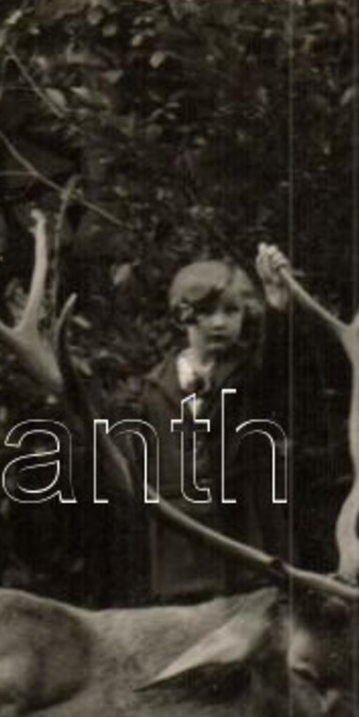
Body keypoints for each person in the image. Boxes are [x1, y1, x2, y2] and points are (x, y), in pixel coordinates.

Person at [137, 246, 294, 603]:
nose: (220, 323)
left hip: (250, 554)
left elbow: (279, 359)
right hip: (183, 563)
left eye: (232, 311)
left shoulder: (252, 375)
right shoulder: (154, 388)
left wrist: (276, 304)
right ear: (182, 316)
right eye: (206, 312)